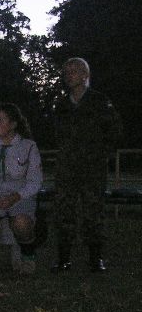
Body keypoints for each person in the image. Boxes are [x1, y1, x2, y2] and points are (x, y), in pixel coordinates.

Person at [52, 57, 123, 272]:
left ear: (85, 75)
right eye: (67, 72)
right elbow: (56, 133)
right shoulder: (62, 105)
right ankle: (64, 258)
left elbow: (116, 131)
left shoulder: (100, 102)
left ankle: (95, 258)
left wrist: (102, 153)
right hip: (67, 168)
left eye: (74, 71)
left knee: (93, 212)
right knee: (65, 212)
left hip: (92, 168)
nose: (69, 75)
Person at [0, 103, 43, 275]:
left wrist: (16, 197)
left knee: (21, 222)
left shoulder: (29, 147)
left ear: (13, 124)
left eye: (0, 120)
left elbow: (35, 181)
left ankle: (28, 259)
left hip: (20, 197)